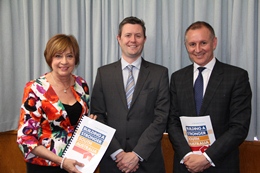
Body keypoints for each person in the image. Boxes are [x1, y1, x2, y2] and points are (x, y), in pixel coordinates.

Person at [167, 21, 252, 173]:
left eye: (203, 43)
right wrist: (187, 155)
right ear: (186, 46)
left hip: (221, 164)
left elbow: (239, 126)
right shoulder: (177, 78)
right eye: (192, 44)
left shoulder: (236, 76)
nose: (198, 49)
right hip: (185, 164)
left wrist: (207, 157)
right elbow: (172, 122)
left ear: (214, 43)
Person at [90, 16, 170, 173]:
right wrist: (117, 153)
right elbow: (97, 115)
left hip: (148, 161)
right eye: (127, 35)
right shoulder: (103, 73)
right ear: (118, 39)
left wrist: (137, 154)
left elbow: (161, 118)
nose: (133, 40)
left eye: (138, 35)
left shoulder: (159, 73)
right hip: (113, 162)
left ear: (144, 39)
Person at [17, 34, 96, 173]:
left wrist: (89, 125)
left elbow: (78, 123)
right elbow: (26, 138)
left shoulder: (81, 84)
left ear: (75, 59)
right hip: (45, 166)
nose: (64, 61)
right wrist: (62, 161)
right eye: (58, 56)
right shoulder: (35, 88)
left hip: (76, 164)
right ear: (50, 58)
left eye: (70, 56)